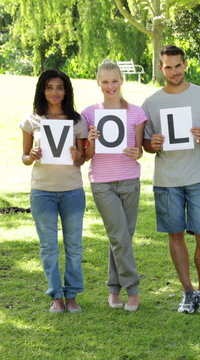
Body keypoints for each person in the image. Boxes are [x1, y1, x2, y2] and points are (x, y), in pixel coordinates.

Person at [142, 45, 200, 314]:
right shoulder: (152, 103)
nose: (174, 71)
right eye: (168, 67)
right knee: (175, 235)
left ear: (185, 65)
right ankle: (187, 291)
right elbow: (146, 143)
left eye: (178, 66)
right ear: (161, 68)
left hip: (199, 177)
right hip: (167, 179)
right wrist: (152, 143)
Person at [20, 69, 87, 313]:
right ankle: (56, 296)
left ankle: (72, 296)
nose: (55, 92)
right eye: (49, 87)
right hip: (43, 192)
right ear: (42, 90)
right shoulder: (32, 120)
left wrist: (78, 156)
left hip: (71, 191)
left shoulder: (77, 121)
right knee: (48, 247)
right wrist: (32, 155)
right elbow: (25, 157)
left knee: (74, 246)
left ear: (66, 91)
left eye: (59, 87)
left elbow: (81, 160)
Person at [82, 59, 147, 312]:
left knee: (121, 237)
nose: (110, 86)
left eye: (115, 81)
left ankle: (112, 289)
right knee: (119, 236)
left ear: (122, 81)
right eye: (105, 81)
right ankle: (133, 290)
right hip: (102, 182)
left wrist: (135, 152)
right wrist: (91, 141)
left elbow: (140, 151)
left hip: (130, 180)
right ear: (98, 82)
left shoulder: (137, 113)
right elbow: (86, 156)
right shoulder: (89, 114)